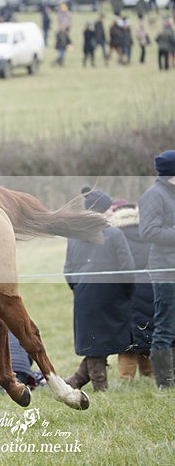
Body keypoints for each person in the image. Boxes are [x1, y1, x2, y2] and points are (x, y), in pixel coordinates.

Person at [63, 188, 135, 392]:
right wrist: (126, 291)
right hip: (111, 295)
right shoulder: (114, 233)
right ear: (102, 210)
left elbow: (68, 270)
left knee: (95, 342)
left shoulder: (74, 236)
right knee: (98, 343)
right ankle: (100, 389)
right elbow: (127, 268)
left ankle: (73, 382)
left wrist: (79, 289)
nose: (112, 212)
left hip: (84, 295)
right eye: (109, 208)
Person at [138, 150, 175, 388]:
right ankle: (165, 383)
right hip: (165, 270)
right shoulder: (154, 196)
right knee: (165, 329)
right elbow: (148, 231)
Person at [109, 200, 154, 380]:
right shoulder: (146, 230)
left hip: (125, 288)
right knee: (146, 330)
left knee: (127, 338)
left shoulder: (114, 234)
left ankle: (125, 378)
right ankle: (149, 374)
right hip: (149, 285)